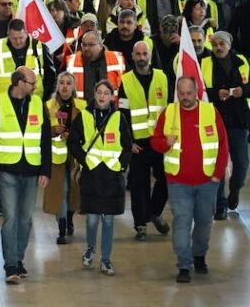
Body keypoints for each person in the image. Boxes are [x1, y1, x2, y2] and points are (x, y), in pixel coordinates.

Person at [151, 76, 229, 284]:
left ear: (197, 93)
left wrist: (216, 176)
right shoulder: (169, 113)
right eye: (181, 94)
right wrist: (164, 143)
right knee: (182, 223)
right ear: (177, 93)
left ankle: (199, 255)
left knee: (204, 223)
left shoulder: (211, 112)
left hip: (207, 183)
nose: (185, 98)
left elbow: (223, 146)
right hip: (178, 183)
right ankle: (184, 265)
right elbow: (155, 142)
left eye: (189, 93)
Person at [0, 66, 51, 284]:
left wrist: (45, 171)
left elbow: (45, 139)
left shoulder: (38, 104)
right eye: (32, 83)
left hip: (32, 170)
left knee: (26, 219)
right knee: (10, 218)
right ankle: (10, 264)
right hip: (7, 170)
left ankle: (18, 259)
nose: (35, 86)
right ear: (19, 83)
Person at [68, 79, 132, 276]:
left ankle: (106, 259)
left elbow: (128, 144)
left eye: (106, 93)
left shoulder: (119, 117)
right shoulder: (84, 116)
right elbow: (73, 142)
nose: (102, 96)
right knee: (93, 220)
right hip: (92, 175)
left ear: (112, 96)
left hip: (112, 177)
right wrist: (85, 160)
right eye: (99, 92)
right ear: (94, 95)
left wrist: (121, 165)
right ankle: (90, 248)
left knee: (110, 221)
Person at [201, 31, 250, 221]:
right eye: (215, 44)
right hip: (214, 121)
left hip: (238, 121)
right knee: (218, 165)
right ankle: (220, 205)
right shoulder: (204, 64)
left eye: (222, 44)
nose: (218, 47)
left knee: (241, 163)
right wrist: (215, 93)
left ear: (229, 45)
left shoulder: (242, 62)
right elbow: (198, 91)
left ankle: (234, 191)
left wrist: (242, 91)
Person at [121, 41, 171, 241]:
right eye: (138, 54)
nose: (141, 57)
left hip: (160, 140)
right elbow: (123, 115)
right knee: (138, 185)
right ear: (132, 56)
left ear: (150, 55)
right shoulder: (125, 81)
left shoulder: (162, 77)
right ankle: (140, 224)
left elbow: (170, 108)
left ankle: (154, 212)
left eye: (144, 54)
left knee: (166, 178)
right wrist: (128, 142)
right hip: (138, 143)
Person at [42, 72, 84, 245]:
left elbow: (87, 131)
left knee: (74, 192)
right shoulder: (49, 106)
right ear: (57, 86)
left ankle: (69, 217)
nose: (65, 86)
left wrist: (72, 134)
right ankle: (62, 227)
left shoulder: (82, 106)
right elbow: (42, 132)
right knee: (62, 191)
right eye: (62, 83)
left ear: (74, 87)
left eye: (68, 83)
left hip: (75, 158)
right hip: (56, 158)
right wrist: (54, 131)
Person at [65, 31, 126, 103]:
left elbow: (127, 88)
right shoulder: (72, 62)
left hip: (112, 110)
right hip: (81, 111)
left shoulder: (117, 59)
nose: (87, 48)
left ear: (100, 45)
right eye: (84, 45)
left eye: (91, 45)